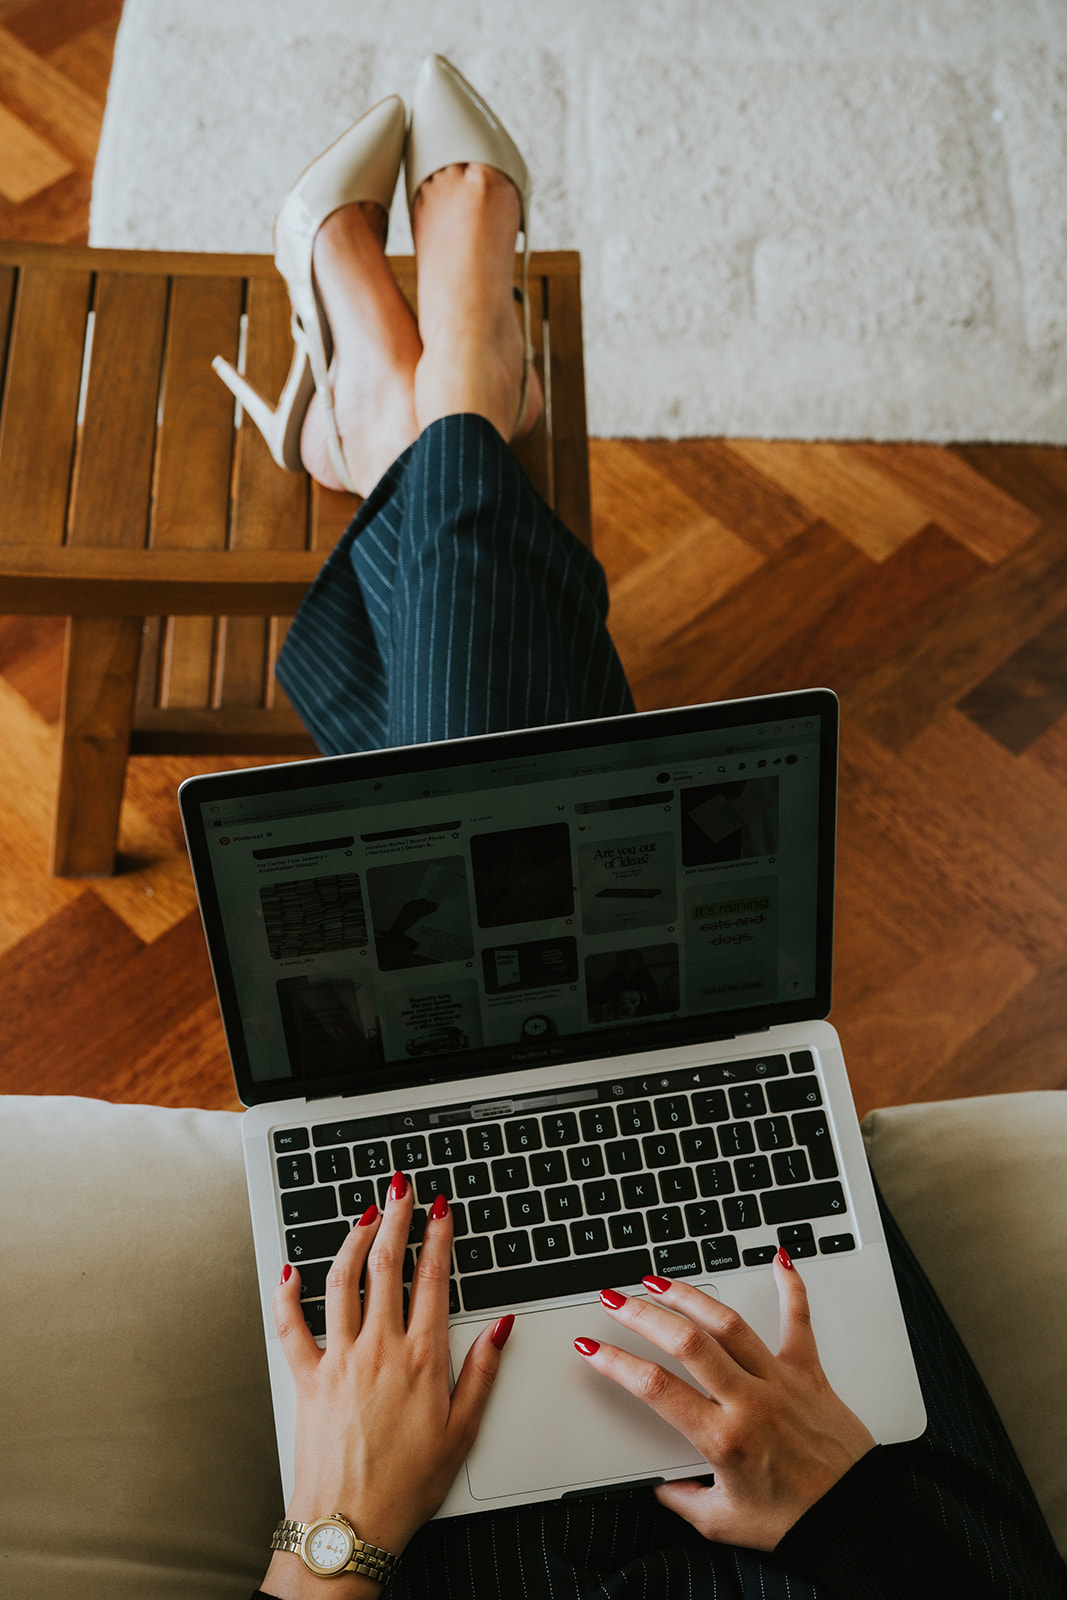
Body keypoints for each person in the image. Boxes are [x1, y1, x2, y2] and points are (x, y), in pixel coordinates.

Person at [228, 56, 1067, 1600]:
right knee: (666, 1031)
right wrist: (846, 1518)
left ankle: (438, 415)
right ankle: (424, 422)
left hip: (459, 1562)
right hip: (824, 1561)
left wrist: (334, 1536)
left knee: (467, 970)